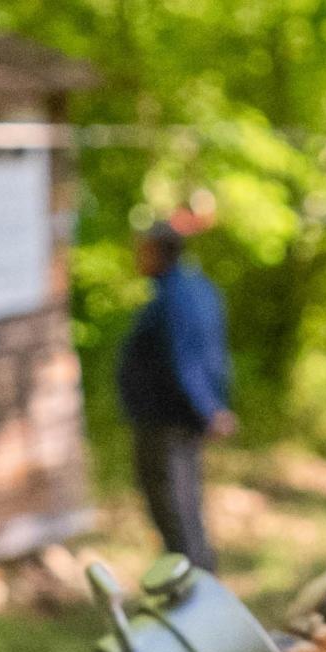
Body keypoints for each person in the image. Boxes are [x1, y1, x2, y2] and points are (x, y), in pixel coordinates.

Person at [115, 221, 235, 572]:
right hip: (181, 418)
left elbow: (183, 359)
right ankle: (197, 586)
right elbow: (214, 356)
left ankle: (194, 592)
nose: (138, 256)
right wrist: (215, 405)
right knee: (185, 508)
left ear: (157, 251)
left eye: (143, 249)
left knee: (174, 511)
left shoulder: (174, 297)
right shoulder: (200, 288)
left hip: (165, 421)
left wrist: (207, 409)